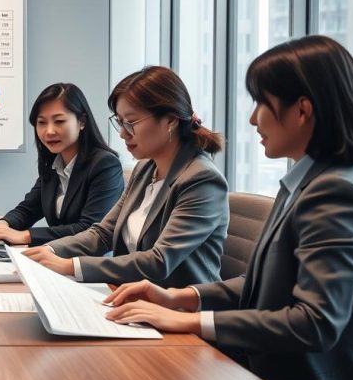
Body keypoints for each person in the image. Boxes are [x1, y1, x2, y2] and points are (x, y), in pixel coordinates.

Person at [105, 36, 353, 380]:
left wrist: (192, 321)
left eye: (261, 103)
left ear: (302, 110)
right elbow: (261, 284)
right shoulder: (305, 182)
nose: (253, 119)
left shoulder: (334, 191)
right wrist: (180, 297)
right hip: (257, 373)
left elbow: (314, 323)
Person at [23, 66, 228, 288]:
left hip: (176, 305)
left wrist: (71, 266)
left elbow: (159, 261)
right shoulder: (144, 169)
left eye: (130, 122)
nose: (122, 133)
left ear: (170, 120)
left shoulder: (202, 179)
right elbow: (103, 233)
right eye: (120, 122)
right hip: (131, 295)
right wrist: (48, 251)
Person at [0, 83, 124, 246]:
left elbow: (90, 229)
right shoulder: (53, 165)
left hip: (91, 259)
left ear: (82, 121)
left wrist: (26, 236)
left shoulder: (105, 164)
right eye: (42, 122)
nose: (49, 131)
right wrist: (3, 224)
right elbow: (28, 209)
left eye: (59, 121)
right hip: (56, 255)